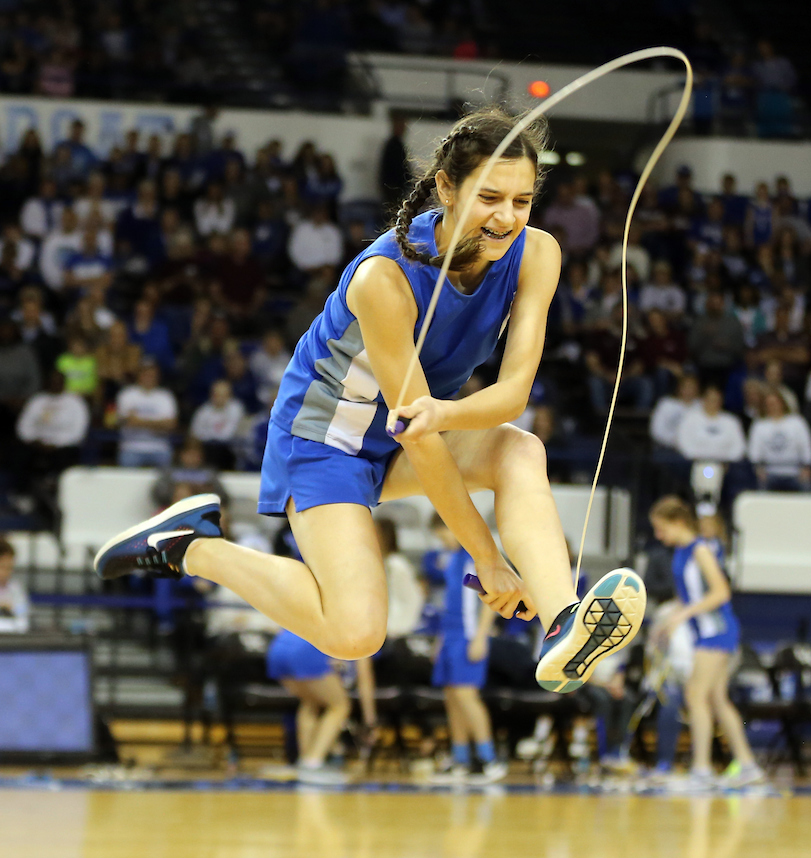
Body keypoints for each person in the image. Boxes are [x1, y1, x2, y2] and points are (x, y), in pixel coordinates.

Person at [93, 107, 642, 695]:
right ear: (447, 188)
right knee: (355, 635)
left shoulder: (538, 254)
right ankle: (192, 547)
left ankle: (564, 619)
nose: (507, 217)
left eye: (522, 200)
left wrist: (445, 413)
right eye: (489, 197)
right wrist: (486, 557)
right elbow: (423, 441)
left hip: (414, 425)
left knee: (520, 450)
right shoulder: (383, 279)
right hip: (326, 439)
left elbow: (510, 397)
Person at [649, 496, 763, 790]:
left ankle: (701, 769)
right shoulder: (681, 552)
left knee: (695, 695)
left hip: (717, 630)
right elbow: (690, 595)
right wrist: (670, 617)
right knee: (717, 699)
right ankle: (748, 765)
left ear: (677, 523)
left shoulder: (700, 549)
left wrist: (684, 614)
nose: (658, 536)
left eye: (661, 529)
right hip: (706, 631)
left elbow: (721, 593)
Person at [428, 514, 506, 783]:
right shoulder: (452, 560)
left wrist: (481, 637)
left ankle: (489, 759)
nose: (442, 541)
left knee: (466, 696)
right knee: (452, 697)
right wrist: (440, 641)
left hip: (467, 636)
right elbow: (449, 605)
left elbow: (488, 599)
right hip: (449, 636)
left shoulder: (472, 558)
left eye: (444, 534)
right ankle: (460, 760)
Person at [266, 630, 352, 783]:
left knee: (310, 703)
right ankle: (313, 762)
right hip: (306, 647)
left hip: (279, 647)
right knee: (340, 706)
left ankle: (305, 761)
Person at [747, 391, 811, 491]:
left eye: (775, 403)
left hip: (795, 472)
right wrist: (758, 469)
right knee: (759, 484)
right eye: (769, 404)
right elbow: (754, 452)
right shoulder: (759, 425)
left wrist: (806, 467)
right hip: (769, 473)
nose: (773, 406)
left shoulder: (797, 422)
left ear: (782, 403)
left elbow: (807, 446)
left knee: (807, 484)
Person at [116, 359, 178, 468]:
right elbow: (126, 422)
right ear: (139, 375)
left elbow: (170, 425)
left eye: (152, 375)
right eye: (145, 374)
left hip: (160, 447)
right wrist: (158, 424)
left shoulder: (166, 396)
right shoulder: (127, 394)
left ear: (157, 376)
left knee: (166, 476)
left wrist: (139, 421)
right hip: (131, 447)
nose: (149, 377)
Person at [0, 539, 29, 633]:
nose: (6, 573)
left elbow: (23, 615)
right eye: (2, 567)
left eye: (10, 568)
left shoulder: (15, 588)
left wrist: (12, 608)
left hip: (12, 640)